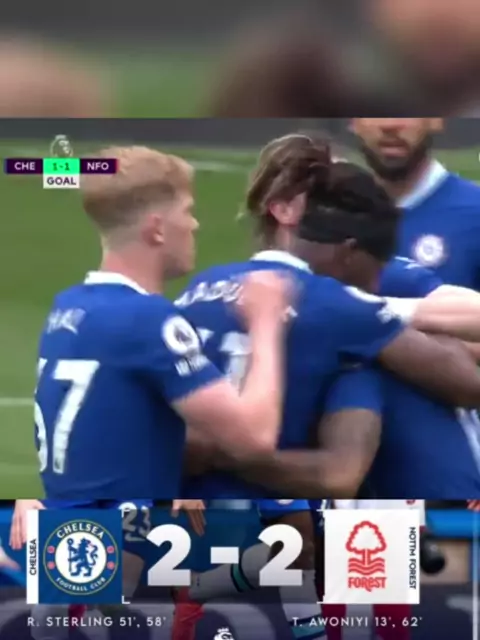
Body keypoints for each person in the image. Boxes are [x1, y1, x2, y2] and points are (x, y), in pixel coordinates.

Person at [33, 145, 290, 504]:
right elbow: (254, 439)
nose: (195, 224)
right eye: (187, 211)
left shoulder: (67, 307)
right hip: (127, 532)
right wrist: (265, 320)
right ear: (156, 229)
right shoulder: (148, 319)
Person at [352, 118, 480, 288]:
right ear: (353, 122)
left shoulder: (474, 213)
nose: (389, 125)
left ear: (436, 120)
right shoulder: (326, 215)